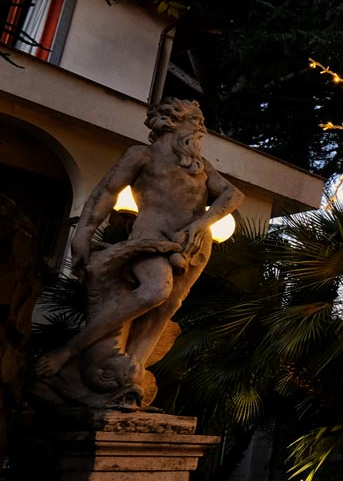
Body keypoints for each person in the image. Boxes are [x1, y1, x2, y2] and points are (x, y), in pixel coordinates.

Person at [35, 100, 243, 409]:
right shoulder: (141, 155)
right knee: (155, 291)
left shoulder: (200, 166)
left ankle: (131, 376)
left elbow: (233, 194)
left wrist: (202, 223)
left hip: (195, 245)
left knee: (166, 308)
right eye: (196, 121)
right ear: (173, 122)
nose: (201, 129)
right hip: (152, 239)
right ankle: (69, 350)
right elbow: (106, 193)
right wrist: (83, 233)